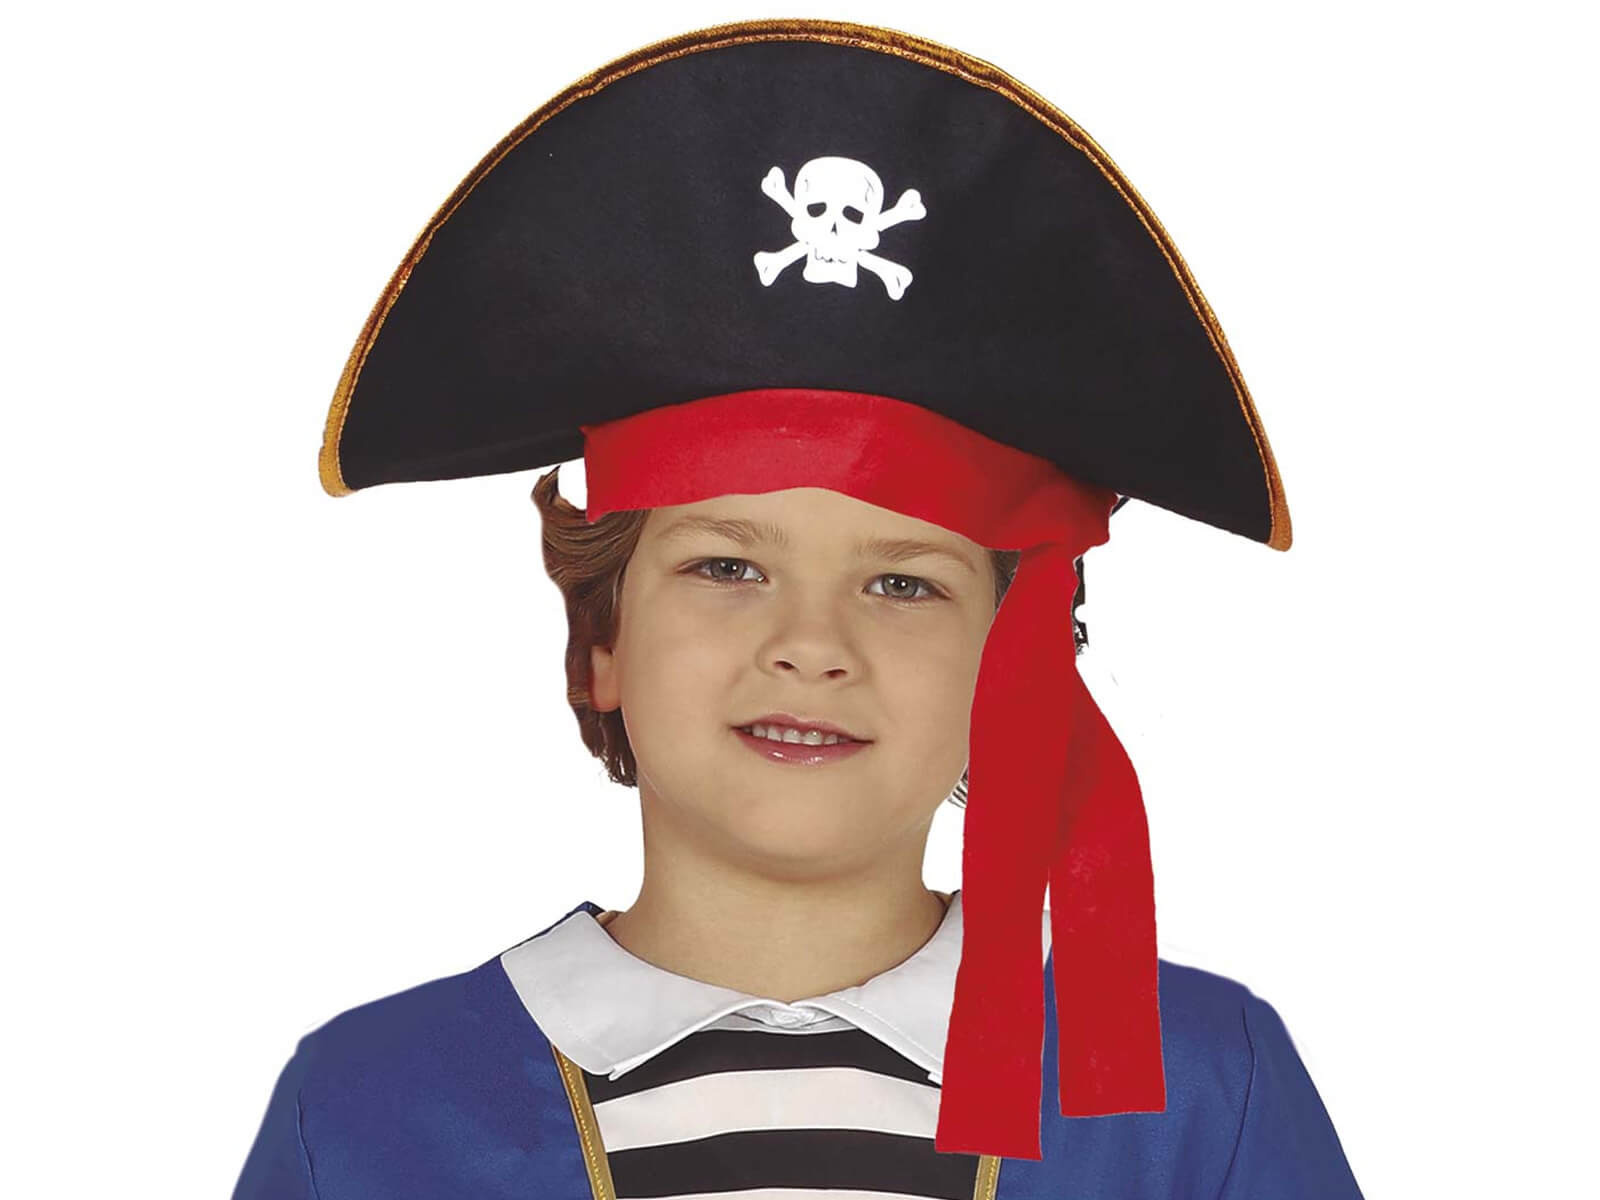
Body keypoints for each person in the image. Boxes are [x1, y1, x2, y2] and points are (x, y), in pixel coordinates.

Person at [234, 17, 1365, 1198]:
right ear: (601, 638)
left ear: (1013, 671)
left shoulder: (1203, 1100)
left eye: (902, 583)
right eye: (727, 569)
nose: (812, 646)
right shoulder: (370, 1112)